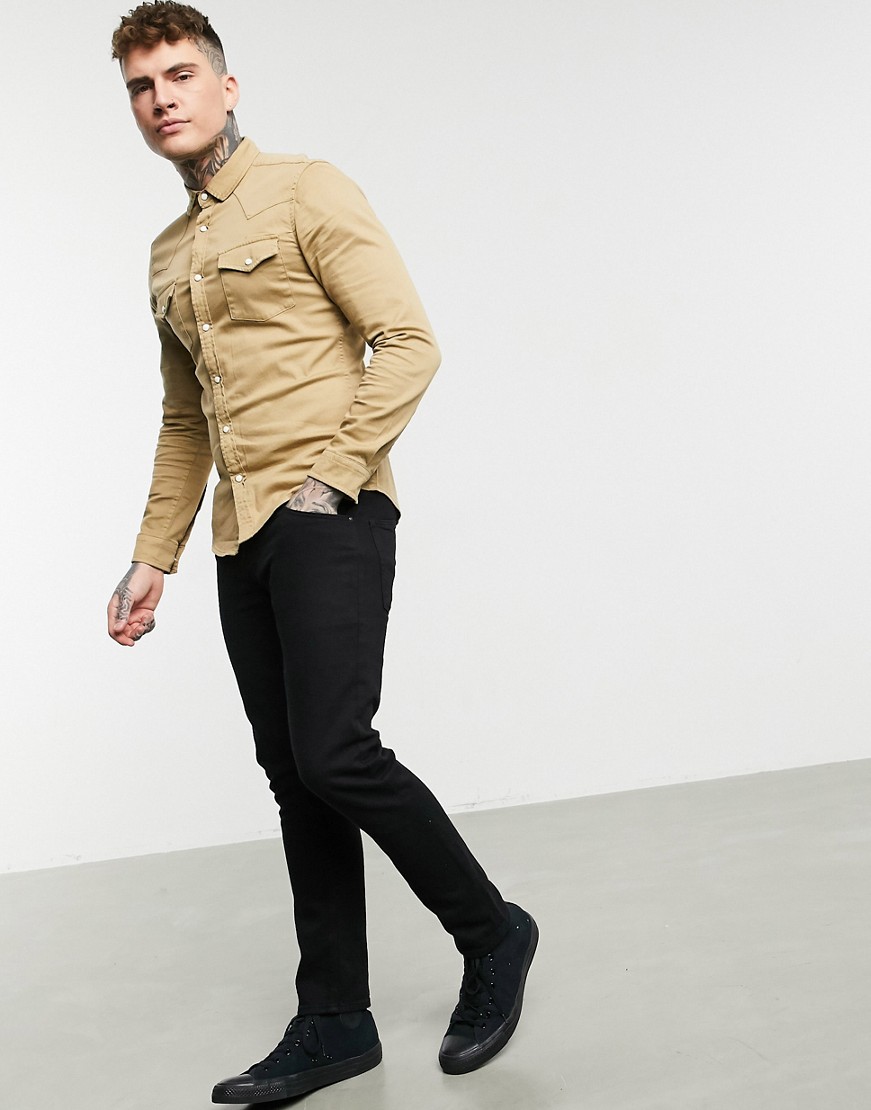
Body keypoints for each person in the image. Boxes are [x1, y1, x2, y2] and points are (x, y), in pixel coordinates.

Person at [106, 3, 537, 1103]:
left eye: (180, 74)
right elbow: (185, 420)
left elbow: (409, 341)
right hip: (237, 533)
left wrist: (330, 478)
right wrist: (153, 555)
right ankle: (335, 1017)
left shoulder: (307, 189)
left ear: (226, 86)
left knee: (337, 752)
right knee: (296, 776)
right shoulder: (166, 256)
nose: (162, 98)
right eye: (143, 85)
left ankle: (492, 932)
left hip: (327, 515)